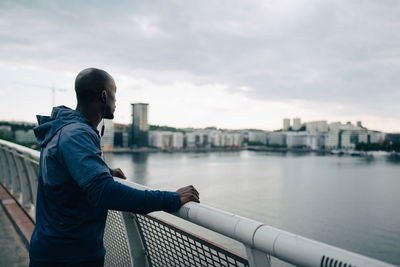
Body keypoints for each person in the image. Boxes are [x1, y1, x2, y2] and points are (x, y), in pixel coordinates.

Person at [29, 68, 200, 266]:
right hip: (68, 256)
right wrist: (172, 199)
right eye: (114, 94)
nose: (116, 101)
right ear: (103, 96)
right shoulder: (77, 134)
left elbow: (62, 172)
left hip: (54, 248)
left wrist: (105, 172)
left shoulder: (64, 129)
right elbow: (104, 192)